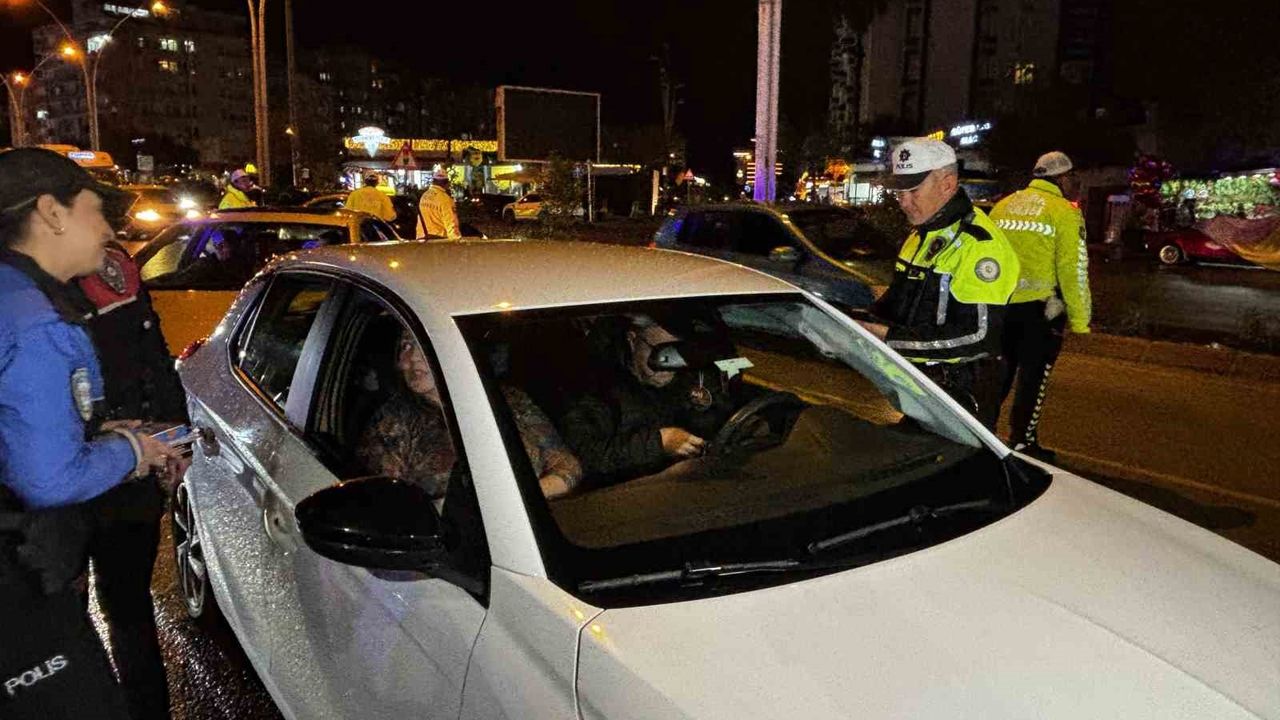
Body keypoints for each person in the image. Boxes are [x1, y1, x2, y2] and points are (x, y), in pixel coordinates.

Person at [0, 147, 179, 719]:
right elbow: (47, 478)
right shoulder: (35, 321)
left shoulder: (17, 294)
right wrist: (130, 449)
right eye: (95, 209)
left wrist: (99, 430)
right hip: (26, 557)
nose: (108, 228)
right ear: (51, 212)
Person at [74, 240, 188, 720]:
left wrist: (176, 439)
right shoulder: (23, 287)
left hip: (128, 477)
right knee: (60, 627)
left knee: (129, 613)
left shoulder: (116, 267)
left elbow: (156, 362)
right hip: (59, 485)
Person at [857, 138, 1019, 427]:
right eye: (899, 192)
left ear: (947, 183)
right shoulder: (920, 235)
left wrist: (891, 338)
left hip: (962, 395)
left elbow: (978, 336)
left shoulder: (979, 245)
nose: (903, 202)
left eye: (913, 190)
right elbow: (897, 304)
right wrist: (853, 320)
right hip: (923, 388)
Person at [357, 329, 580, 500]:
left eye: (425, 344)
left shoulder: (510, 401)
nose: (414, 356)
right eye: (406, 345)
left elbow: (567, 465)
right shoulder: (390, 423)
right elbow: (392, 505)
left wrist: (522, 499)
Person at [989, 151, 1092, 456]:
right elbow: (1073, 270)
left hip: (999, 307)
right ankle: (1023, 441)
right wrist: (1081, 321)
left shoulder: (1003, 206)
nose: (1075, 184)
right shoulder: (1064, 212)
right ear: (1062, 178)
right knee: (1033, 378)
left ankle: (979, 430)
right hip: (1042, 311)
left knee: (998, 375)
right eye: (1073, 178)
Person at [561, 315, 745, 483]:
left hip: (695, 483)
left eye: (678, 352)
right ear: (632, 340)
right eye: (661, 352)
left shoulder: (693, 378)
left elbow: (718, 419)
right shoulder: (595, 388)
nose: (670, 364)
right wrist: (659, 442)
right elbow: (586, 458)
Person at [416, 168, 461, 240]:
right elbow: (451, 222)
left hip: (422, 237)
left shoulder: (424, 196)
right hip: (438, 239)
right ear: (447, 183)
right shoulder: (445, 199)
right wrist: (455, 239)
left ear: (433, 182)